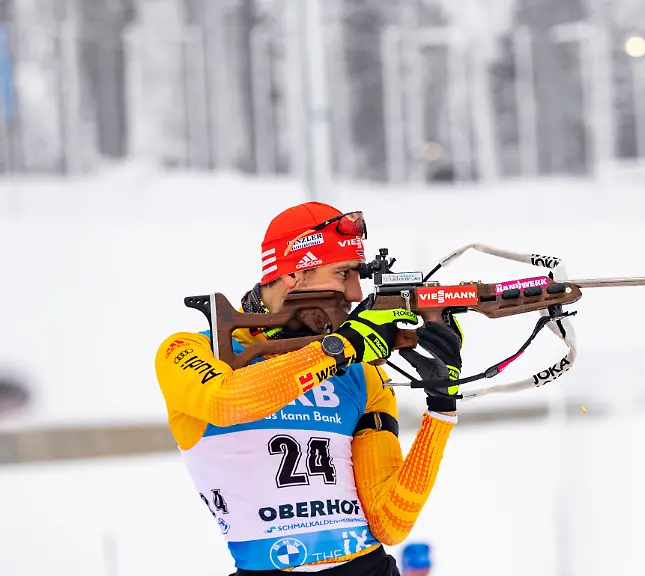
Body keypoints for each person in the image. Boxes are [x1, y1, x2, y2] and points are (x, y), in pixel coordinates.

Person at [153, 202, 465, 575]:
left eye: (359, 275)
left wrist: (441, 406)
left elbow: (389, 523)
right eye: (343, 273)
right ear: (293, 274)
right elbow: (227, 401)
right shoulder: (191, 350)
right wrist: (340, 348)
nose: (355, 293)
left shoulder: (362, 374)